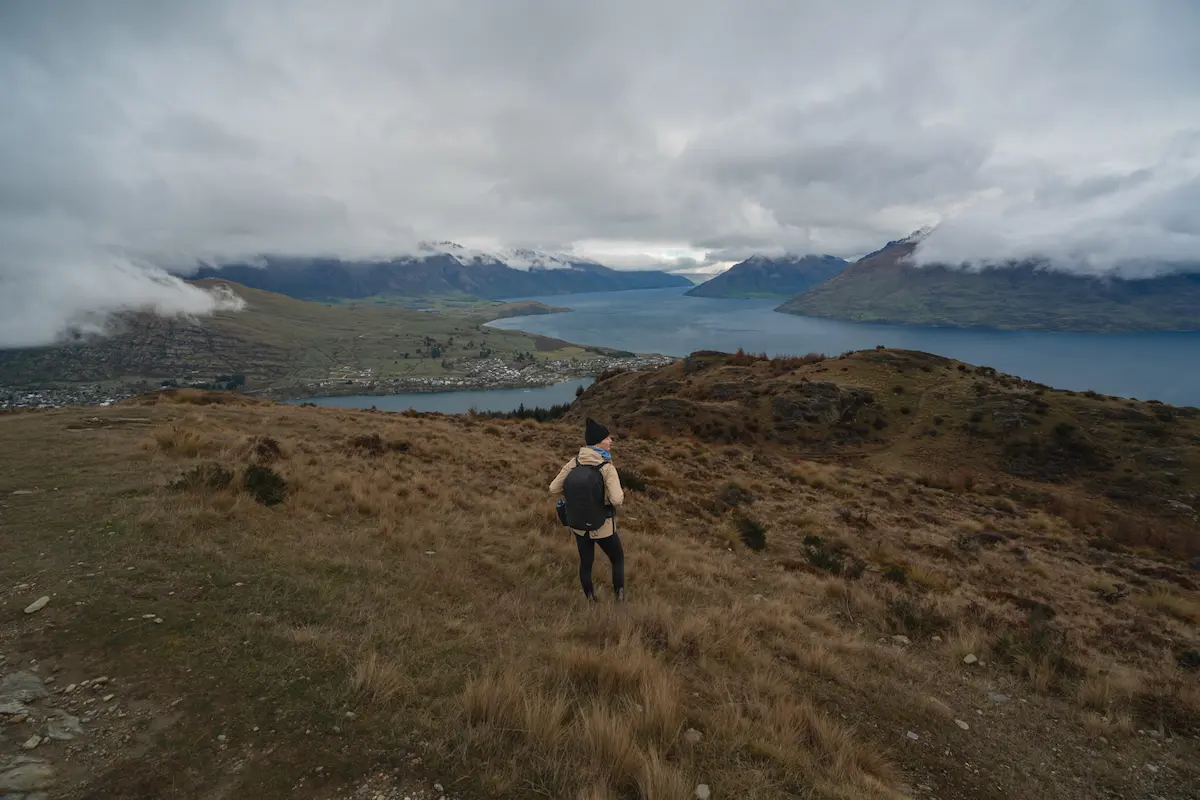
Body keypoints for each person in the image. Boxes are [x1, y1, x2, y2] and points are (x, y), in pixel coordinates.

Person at [549, 417, 626, 602]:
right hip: (603, 525)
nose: (611, 441)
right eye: (607, 438)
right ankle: (620, 599)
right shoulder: (607, 467)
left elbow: (553, 488)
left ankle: (591, 599)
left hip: (578, 524)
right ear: (599, 442)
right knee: (617, 558)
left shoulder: (575, 462)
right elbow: (616, 500)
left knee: (586, 563)